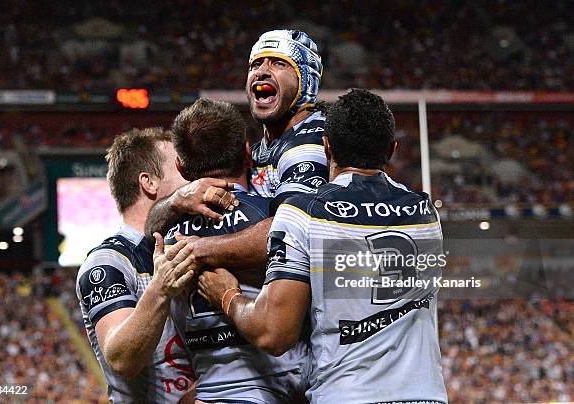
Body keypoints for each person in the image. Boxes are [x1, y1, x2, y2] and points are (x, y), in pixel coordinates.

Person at [197, 90, 449, 403]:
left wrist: (227, 295)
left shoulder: (304, 213)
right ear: (392, 150)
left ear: (326, 146)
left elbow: (274, 333)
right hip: (427, 396)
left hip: (347, 395)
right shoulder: (425, 214)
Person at [145, 29, 328, 272]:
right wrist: (178, 200)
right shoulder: (264, 148)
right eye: (256, 64)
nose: (262, 71)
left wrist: (197, 250)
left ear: (306, 79)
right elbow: (150, 229)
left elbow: (291, 235)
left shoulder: (311, 143)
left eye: (279, 63)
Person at [164, 98, 308, 403]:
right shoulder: (273, 217)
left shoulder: (165, 237)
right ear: (247, 152)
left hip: (210, 390)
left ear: (180, 166)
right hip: (279, 390)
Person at [76, 128, 198, 403]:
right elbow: (121, 359)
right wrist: (161, 289)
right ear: (149, 183)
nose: (193, 175)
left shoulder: (185, 245)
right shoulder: (107, 261)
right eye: (180, 166)